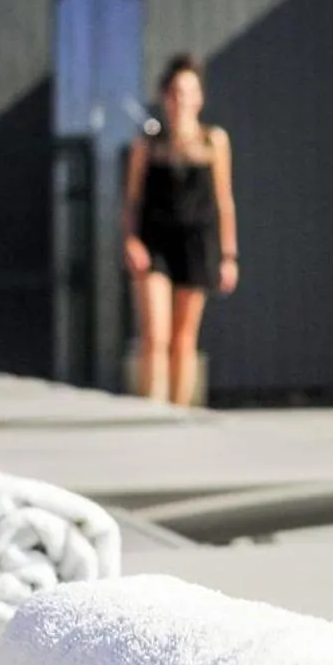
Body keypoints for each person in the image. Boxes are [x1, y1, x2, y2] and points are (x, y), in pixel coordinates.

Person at [122, 53, 238, 405]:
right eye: (174, 92)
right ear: (163, 97)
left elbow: (223, 200)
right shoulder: (148, 144)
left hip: (196, 241)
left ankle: (179, 410)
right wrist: (130, 240)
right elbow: (132, 199)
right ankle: (149, 407)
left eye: (189, 91)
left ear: (200, 98)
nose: (181, 100)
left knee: (184, 337)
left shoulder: (213, 141)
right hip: (155, 241)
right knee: (155, 334)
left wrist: (229, 255)